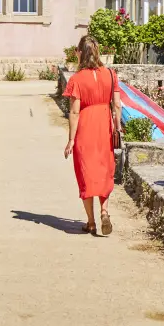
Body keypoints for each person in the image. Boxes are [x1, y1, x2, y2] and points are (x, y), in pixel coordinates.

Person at [63, 35, 122, 235]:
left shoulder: (76, 79)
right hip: (104, 126)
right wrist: (117, 128)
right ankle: (104, 211)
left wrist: (71, 139)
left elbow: (74, 112)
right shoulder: (111, 74)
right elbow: (117, 105)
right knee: (104, 170)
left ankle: (91, 222)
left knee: (86, 173)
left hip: (85, 129)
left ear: (80, 53)